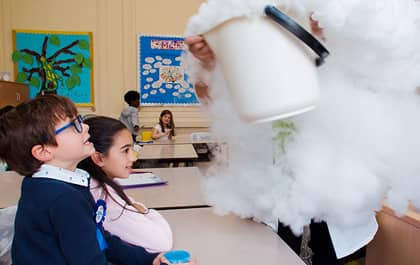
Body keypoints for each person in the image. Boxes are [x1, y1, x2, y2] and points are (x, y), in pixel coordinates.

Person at [184, 20, 356, 265]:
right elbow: (209, 96)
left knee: (327, 249)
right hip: (269, 180)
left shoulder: (338, 45)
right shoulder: (254, 43)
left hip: (325, 177)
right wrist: (209, 62)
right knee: (275, 251)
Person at [0, 94, 192, 265]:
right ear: (43, 151)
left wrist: (149, 259)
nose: (85, 127)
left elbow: (100, 238)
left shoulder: (47, 184)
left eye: (80, 120)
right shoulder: (63, 198)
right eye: (74, 125)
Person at [78, 116, 173, 253]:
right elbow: (162, 242)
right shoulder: (103, 197)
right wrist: (148, 212)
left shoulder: (93, 183)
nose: (133, 157)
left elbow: (131, 203)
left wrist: (136, 207)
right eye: (125, 150)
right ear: (99, 158)